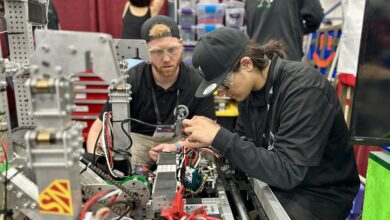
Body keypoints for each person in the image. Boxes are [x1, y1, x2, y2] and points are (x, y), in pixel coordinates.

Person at [151, 28, 359, 219]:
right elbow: (245, 142)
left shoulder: (304, 90)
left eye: (223, 84)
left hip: (319, 193)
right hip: (278, 184)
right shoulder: (249, 92)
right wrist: (198, 144)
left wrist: (219, 136)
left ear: (247, 64)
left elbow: (289, 172)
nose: (221, 93)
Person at [87, 16, 215, 168]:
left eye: (172, 49)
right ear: (145, 52)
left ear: (181, 45)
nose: (167, 58)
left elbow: (209, 131)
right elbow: (98, 128)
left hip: (181, 140)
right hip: (138, 141)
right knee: (121, 169)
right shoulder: (129, 80)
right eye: (158, 52)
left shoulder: (198, 82)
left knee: (205, 160)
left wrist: (178, 146)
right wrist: (98, 165)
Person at [245, 0, 324, 61]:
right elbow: (316, 17)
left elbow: (247, 25)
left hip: (257, 59)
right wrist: (300, 31)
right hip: (287, 57)